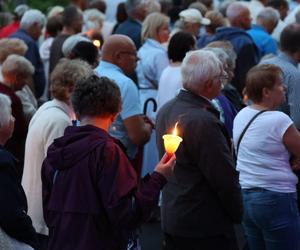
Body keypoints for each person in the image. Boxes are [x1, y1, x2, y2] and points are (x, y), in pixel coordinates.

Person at [42, 74, 176, 250]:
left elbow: (48, 210)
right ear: (115, 113)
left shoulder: (56, 151)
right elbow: (127, 213)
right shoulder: (107, 152)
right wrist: (158, 178)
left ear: (76, 108)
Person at [156, 50, 243, 250]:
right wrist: (238, 212)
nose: (224, 81)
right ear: (208, 84)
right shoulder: (202, 121)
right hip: (203, 222)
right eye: (220, 77)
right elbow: (223, 177)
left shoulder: (167, 109)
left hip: (175, 213)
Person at [22, 59, 93, 250]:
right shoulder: (59, 120)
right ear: (71, 90)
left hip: (36, 209)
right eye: (85, 92)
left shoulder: (47, 109)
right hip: (45, 217)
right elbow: (58, 174)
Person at [233, 64, 300, 250]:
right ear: (266, 92)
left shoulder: (242, 115)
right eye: (279, 84)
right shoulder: (279, 120)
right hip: (276, 198)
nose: (284, 87)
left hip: (247, 196)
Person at [95, 35, 152, 166]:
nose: (137, 58)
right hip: (117, 161)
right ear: (118, 56)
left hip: (90, 157)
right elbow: (137, 136)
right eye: (133, 54)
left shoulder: (89, 75)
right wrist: (148, 127)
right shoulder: (125, 84)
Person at [0, 93, 37, 250]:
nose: (14, 120)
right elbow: (11, 215)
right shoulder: (2, 162)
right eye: (10, 115)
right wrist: (33, 237)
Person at [198, 2, 259, 95]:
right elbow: (246, 77)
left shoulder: (216, 36)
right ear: (240, 20)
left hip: (216, 92)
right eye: (248, 16)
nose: (251, 19)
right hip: (234, 95)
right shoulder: (245, 43)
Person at [261, 23, 300, 129]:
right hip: (282, 139)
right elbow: (297, 121)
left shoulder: (262, 64)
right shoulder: (294, 75)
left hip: (258, 131)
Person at [10, 9, 46, 99]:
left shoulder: (12, 37)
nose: (41, 32)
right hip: (26, 97)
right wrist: (32, 101)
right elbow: (28, 75)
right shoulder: (29, 42)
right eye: (41, 28)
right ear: (35, 25)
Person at [157, 31, 196, 109]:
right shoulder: (187, 73)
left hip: (164, 116)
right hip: (178, 117)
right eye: (194, 47)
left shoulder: (166, 70)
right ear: (190, 48)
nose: (195, 50)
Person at [49, 5, 83, 75]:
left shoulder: (55, 40)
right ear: (74, 22)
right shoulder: (74, 42)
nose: (82, 22)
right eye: (81, 19)